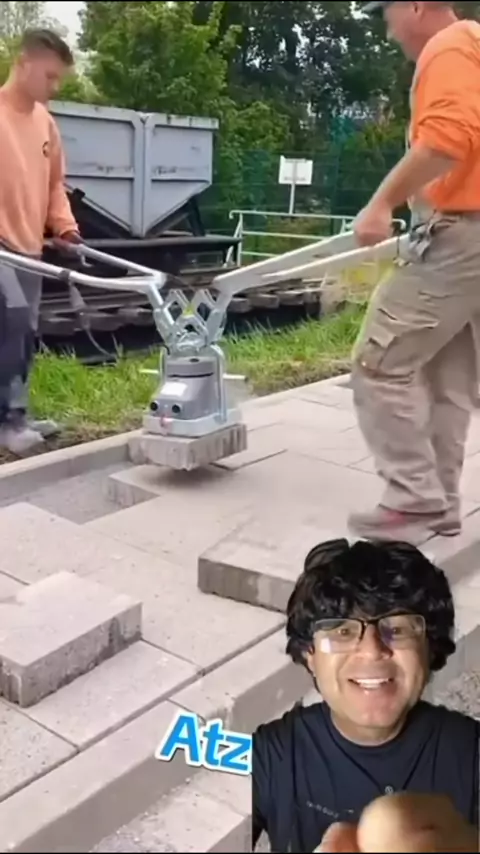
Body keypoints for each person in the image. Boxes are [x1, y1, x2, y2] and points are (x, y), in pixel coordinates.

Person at [252, 538, 479, 853]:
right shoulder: (269, 756)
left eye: (397, 629)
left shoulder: (473, 754)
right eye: (343, 631)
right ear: (309, 654)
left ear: (430, 648)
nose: (372, 650)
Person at [348, 1, 480, 540]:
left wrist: (381, 203)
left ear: (418, 6)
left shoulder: (448, 47)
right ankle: (442, 502)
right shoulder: (475, 45)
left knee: (379, 362)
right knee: (447, 377)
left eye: (388, 15)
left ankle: (413, 496)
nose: (388, 30)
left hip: (462, 235)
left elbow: (447, 140)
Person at [0, 28, 81, 455]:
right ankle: (9, 423)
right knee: (12, 324)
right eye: (50, 77)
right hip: (1, 245)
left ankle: (17, 414)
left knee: (24, 331)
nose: (55, 87)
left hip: (30, 250)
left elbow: (54, 186)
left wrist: (65, 227)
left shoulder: (45, 123)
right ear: (24, 63)